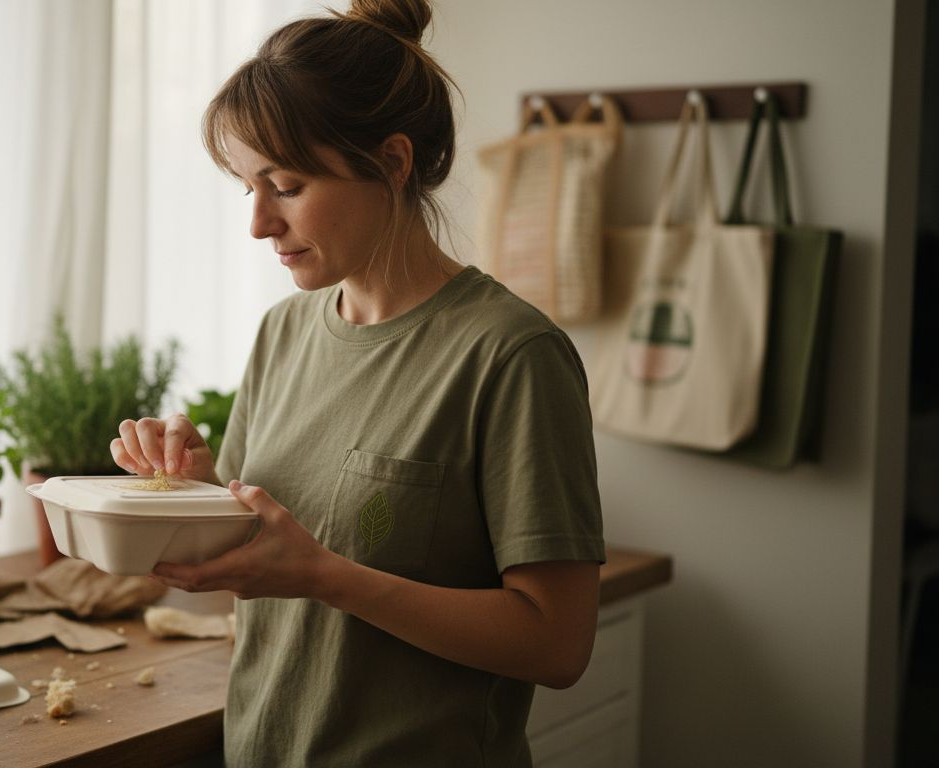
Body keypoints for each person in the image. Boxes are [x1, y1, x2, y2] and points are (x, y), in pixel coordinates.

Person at [109, 0, 605, 764]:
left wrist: (329, 578)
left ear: (393, 163)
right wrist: (195, 486)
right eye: (250, 189)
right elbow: (260, 551)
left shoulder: (510, 355)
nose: (259, 224)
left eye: (287, 185)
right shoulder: (284, 332)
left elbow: (557, 643)